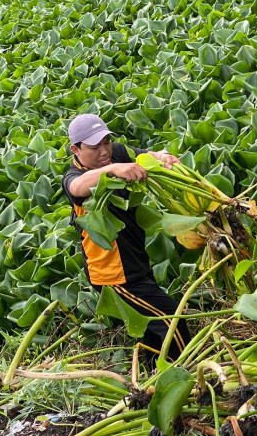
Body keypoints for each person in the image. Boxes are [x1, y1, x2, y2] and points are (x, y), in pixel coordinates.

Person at [62, 113, 192, 360]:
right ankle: (189, 373)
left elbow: (145, 155)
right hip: (114, 276)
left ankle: (151, 379)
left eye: (106, 143)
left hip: (136, 263)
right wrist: (112, 169)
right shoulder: (75, 176)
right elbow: (76, 188)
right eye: (94, 147)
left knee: (151, 333)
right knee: (171, 321)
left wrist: (162, 157)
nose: (104, 152)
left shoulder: (116, 154)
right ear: (75, 150)